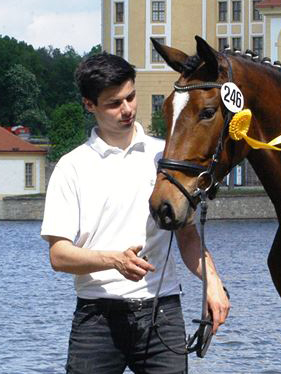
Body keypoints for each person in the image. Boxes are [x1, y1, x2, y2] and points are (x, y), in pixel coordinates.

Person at [41, 52, 230, 374]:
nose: (127, 109)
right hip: (96, 318)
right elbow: (59, 255)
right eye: (114, 103)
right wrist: (114, 260)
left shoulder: (165, 156)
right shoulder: (72, 166)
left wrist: (213, 283)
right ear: (90, 105)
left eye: (130, 96)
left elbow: (187, 237)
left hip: (163, 312)